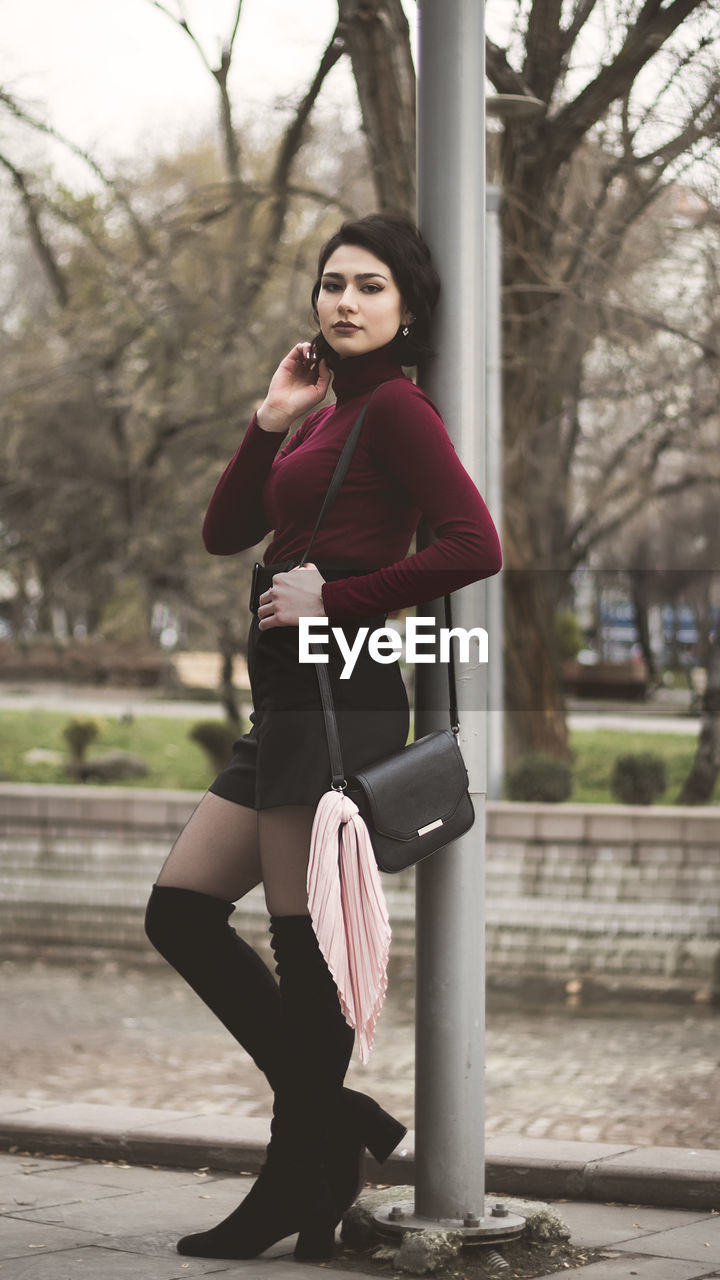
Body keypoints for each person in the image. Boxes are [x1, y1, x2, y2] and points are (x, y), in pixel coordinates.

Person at [144, 213, 502, 1262]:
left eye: (371, 286)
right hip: (286, 698)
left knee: (306, 955)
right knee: (180, 909)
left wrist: (340, 600)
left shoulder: (396, 409)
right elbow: (224, 534)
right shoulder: (318, 414)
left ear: (408, 307)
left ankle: (293, 1171)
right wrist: (267, 417)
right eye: (332, 282)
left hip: (337, 693)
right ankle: (338, 1129)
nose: (344, 300)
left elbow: (473, 543)